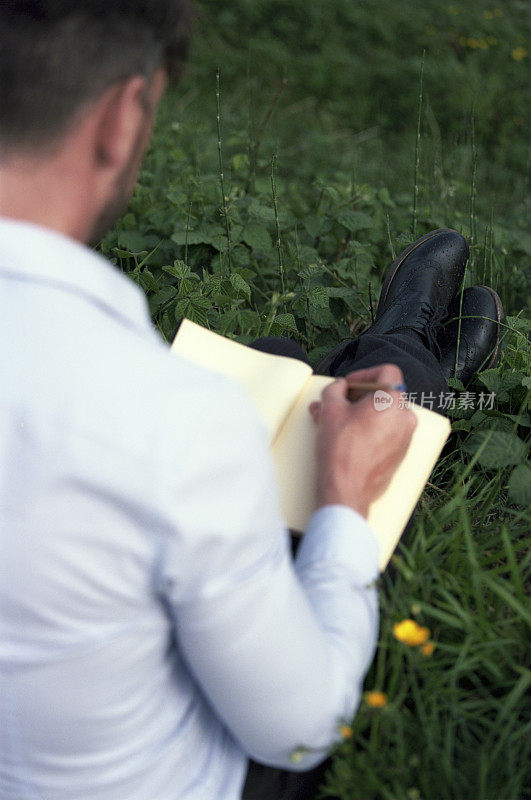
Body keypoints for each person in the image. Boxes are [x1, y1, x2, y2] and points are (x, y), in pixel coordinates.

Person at [0, 3, 503, 800]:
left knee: (267, 366)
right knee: (351, 423)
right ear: (121, 119)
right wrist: (342, 504)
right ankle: (412, 359)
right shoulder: (174, 426)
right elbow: (301, 729)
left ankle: (390, 356)